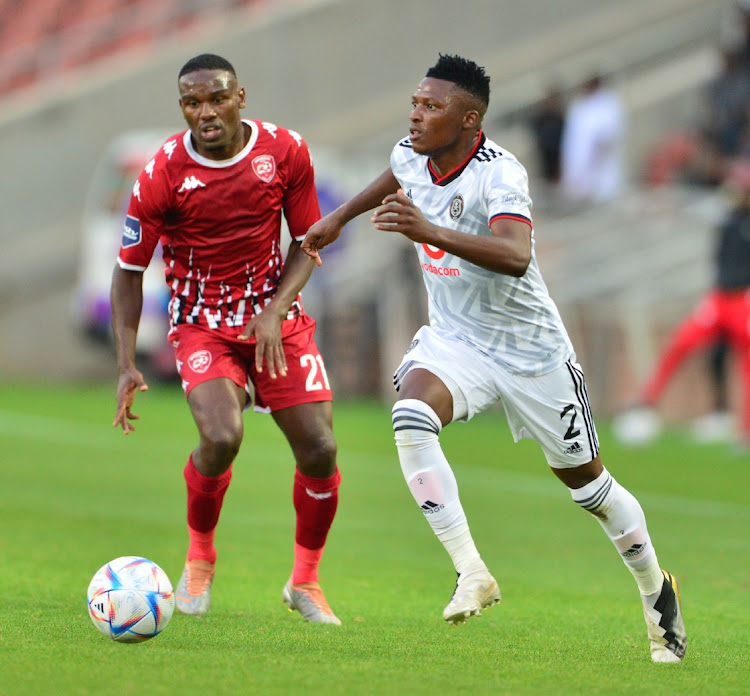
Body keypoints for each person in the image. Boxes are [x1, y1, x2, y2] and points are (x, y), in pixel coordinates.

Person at [302, 54, 686, 662]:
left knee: (588, 487)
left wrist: (428, 232)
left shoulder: (501, 174)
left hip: (531, 352)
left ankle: (655, 592)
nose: (416, 113)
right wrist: (337, 219)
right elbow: (397, 175)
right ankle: (471, 570)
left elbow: (515, 255)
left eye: (432, 106)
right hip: (457, 340)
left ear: (469, 119)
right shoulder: (412, 152)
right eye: (416, 101)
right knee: (410, 415)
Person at [110, 53, 342, 625]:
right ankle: (199, 559)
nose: (205, 112)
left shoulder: (285, 150)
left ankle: (306, 582)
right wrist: (125, 361)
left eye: (216, 98)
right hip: (201, 325)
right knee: (221, 435)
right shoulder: (161, 172)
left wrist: (276, 309)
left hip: (276, 320)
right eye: (192, 102)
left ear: (241, 96)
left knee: (321, 449)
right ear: (183, 108)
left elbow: (308, 240)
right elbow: (127, 270)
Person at [614, 158, 750, 447]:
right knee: (680, 344)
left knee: (746, 364)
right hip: (720, 298)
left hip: (744, 301)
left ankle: (745, 429)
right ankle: (645, 403)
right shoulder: (728, 222)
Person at [559, 73, 625, 204]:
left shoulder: (609, 105)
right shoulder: (579, 106)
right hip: (579, 171)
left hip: (601, 169)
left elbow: (607, 136)